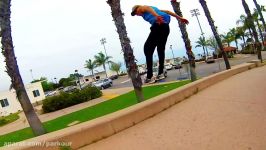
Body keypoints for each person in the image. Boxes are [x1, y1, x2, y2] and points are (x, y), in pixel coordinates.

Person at [131, 5, 189, 83]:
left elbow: (148, 8)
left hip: (158, 25)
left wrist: (157, 16)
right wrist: (180, 18)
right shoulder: (156, 9)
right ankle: (160, 73)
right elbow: (168, 12)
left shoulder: (142, 8)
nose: (137, 14)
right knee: (160, 49)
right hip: (165, 28)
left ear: (137, 9)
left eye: (136, 12)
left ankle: (149, 76)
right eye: (135, 14)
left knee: (147, 49)